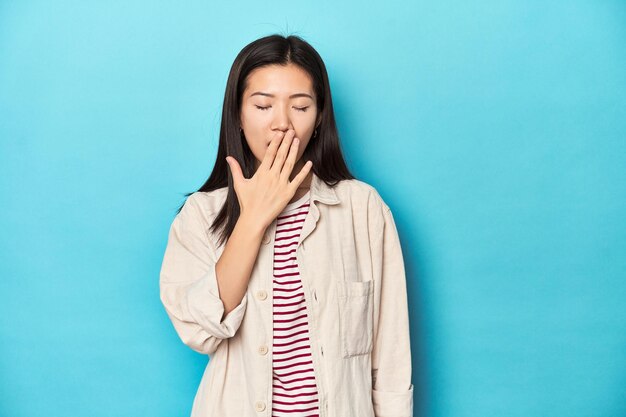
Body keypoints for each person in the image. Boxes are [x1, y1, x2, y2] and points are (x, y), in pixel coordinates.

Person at [159, 33, 413, 417]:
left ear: (319, 117)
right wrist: (254, 219)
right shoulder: (201, 214)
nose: (282, 124)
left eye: (300, 106)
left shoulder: (364, 209)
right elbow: (201, 331)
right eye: (263, 106)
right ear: (238, 117)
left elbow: (391, 357)